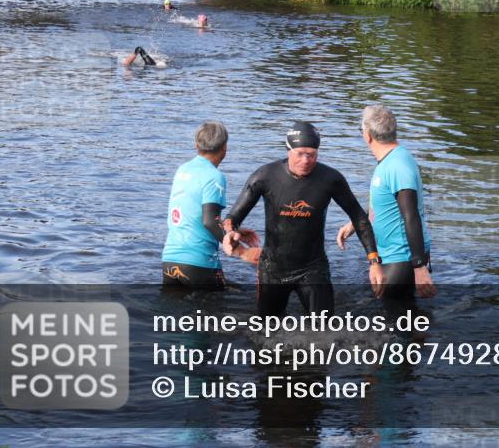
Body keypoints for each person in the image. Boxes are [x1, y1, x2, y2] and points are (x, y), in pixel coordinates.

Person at [221, 122, 380, 316]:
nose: (305, 161)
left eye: (311, 155)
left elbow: (359, 217)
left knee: (325, 327)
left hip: (313, 267)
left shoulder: (331, 179)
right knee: (267, 329)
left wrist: (374, 262)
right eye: (300, 154)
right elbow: (233, 217)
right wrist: (229, 232)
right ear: (288, 150)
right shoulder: (265, 176)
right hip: (273, 269)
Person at [337, 105, 435, 300]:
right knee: (402, 313)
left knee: (393, 314)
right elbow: (388, 201)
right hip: (397, 256)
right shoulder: (392, 159)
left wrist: (419, 267)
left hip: (402, 258)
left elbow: (411, 215)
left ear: (367, 135)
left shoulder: (397, 166)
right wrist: (357, 222)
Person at [162, 122, 259, 290]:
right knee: (235, 300)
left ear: (196, 145)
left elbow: (192, 214)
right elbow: (209, 221)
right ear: (225, 147)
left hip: (170, 261)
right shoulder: (214, 176)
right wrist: (242, 252)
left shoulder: (183, 170)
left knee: (173, 308)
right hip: (199, 263)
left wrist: (232, 231)